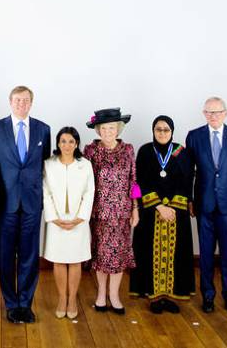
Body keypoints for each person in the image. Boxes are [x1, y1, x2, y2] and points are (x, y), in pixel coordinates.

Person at [0, 85, 51, 324]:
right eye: (18, 100)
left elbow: (43, 165)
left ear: (31, 103)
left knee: (30, 256)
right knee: (6, 256)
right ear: (10, 102)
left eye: (26, 100)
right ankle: (11, 303)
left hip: (32, 204)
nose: (22, 104)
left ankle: (25, 303)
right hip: (4, 204)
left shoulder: (43, 130)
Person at [186, 96, 227, 315]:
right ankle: (208, 297)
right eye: (209, 112)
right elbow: (189, 173)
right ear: (204, 114)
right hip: (204, 204)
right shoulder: (194, 137)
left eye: (217, 112)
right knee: (205, 255)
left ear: (226, 113)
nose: (213, 116)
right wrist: (190, 200)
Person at [129, 115, 195, 313]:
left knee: (176, 255)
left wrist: (172, 207)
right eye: (158, 129)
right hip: (151, 213)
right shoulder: (145, 151)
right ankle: (154, 295)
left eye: (166, 130)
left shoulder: (181, 152)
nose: (162, 133)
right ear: (153, 130)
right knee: (148, 253)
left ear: (172, 131)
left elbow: (188, 181)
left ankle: (171, 296)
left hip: (176, 213)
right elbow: (138, 182)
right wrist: (159, 206)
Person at [84, 108, 138, 315]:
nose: (108, 132)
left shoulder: (128, 150)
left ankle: (114, 296)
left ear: (118, 129)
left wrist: (136, 209)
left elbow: (134, 182)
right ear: (98, 130)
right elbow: (85, 182)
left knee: (118, 255)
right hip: (98, 213)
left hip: (122, 214)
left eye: (112, 128)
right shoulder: (90, 151)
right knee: (100, 254)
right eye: (104, 128)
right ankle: (100, 295)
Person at [43, 126, 95, 319]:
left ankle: (72, 298)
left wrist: (80, 218)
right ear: (58, 143)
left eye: (71, 141)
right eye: (63, 141)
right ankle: (61, 299)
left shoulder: (85, 165)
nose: (67, 145)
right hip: (56, 221)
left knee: (75, 260)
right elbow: (45, 192)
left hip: (78, 220)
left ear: (77, 144)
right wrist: (54, 218)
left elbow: (89, 193)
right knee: (58, 260)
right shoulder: (49, 164)